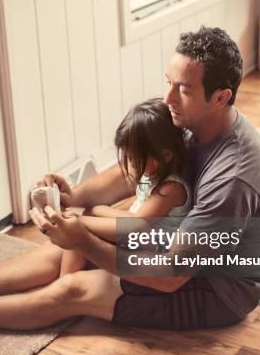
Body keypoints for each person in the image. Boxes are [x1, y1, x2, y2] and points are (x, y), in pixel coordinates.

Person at [0, 26, 260, 331]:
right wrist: (73, 195)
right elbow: (136, 168)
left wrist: (84, 240)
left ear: (222, 96)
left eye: (183, 89)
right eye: (168, 83)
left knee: (77, 288)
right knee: (57, 249)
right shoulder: (190, 119)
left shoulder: (234, 178)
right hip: (178, 249)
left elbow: (171, 275)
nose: (168, 98)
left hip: (214, 289)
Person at [59, 98, 191, 276]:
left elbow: (137, 224)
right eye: (128, 158)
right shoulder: (151, 174)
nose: (131, 165)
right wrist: (94, 211)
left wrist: (85, 218)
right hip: (139, 233)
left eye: (136, 160)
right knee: (86, 223)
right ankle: (66, 279)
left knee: (81, 230)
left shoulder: (172, 189)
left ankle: (66, 281)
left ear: (165, 155)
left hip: (155, 249)